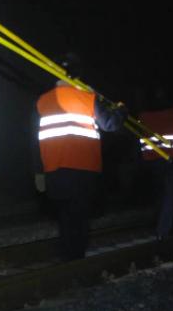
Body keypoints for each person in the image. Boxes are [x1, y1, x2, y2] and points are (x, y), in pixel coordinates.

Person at [33, 54, 126, 260]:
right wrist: (121, 110)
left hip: (54, 169)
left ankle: (67, 258)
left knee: (64, 217)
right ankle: (76, 260)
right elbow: (110, 124)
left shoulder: (42, 101)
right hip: (83, 169)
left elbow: (37, 138)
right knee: (80, 219)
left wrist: (38, 171)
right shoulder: (88, 98)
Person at [137, 84, 173, 240]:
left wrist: (140, 161)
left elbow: (139, 138)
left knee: (160, 194)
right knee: (170, 194)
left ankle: (163, 227)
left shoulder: (143, 115)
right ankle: (164, 231)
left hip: (152, 159)